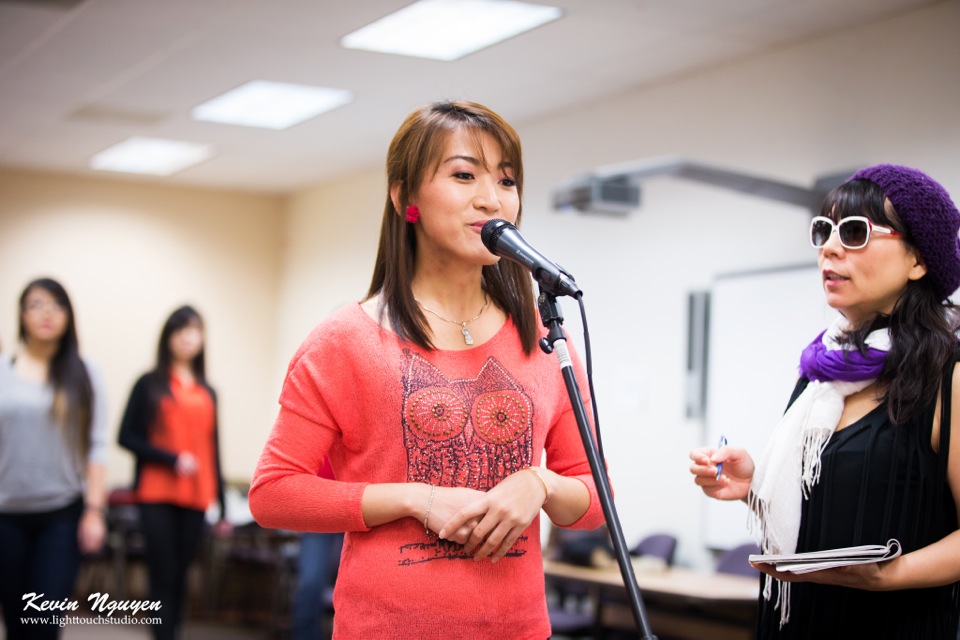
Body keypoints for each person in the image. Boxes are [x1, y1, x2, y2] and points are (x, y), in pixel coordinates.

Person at [248, 100, 606, 639]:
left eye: (507, 181)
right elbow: (273, 493)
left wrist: (540, 483)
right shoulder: (344, 342)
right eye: (464, 175)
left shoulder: (543, 338)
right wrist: (417, 497)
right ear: (405, 197)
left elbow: (595, 499)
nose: (491, 198)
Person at [689, 164, 960, 638]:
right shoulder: (822, 374)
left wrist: (886, 576)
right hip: (797, 622)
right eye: (824, 230)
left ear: (918, 260)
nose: (830, 248)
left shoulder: (947, 375)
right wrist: (753, 486)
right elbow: (832, 505)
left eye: (855, 232)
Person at [0, 278, 108, 640]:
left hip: (61, 515)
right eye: (36, 304)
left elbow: (96, 446)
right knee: (16, 622)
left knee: (43, 624)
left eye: (56, 305)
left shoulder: (85, 373)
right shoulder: (3, 371)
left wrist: (94, 512)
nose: (47, 313)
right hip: (6, 514)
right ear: (21, 314)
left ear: (68, 315)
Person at [118, 305, 229, 640]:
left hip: (196, 496)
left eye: (195, 330)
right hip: (156, 492)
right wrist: (170, 458)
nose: (188, 337)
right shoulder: (148, 384)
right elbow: (126, 436)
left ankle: (172, 633)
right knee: (162, 573)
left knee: (181, 574)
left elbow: (213, 449)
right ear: (168, 337)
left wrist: (222, 504)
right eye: (181, 330)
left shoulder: (208, 391)